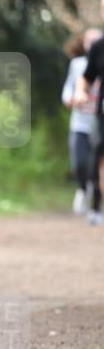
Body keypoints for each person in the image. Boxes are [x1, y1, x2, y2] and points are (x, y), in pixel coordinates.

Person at [61, 30, 102, 221]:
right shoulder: (77, 65)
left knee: (95, 164)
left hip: (98, 121)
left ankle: (96, 204)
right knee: (80, 164)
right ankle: (83, 188)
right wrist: (74, 97)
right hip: (81, 123)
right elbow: (73, 87)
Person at [75, 0, 104, 225]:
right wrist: (81, 93)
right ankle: (97, 207)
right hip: (102, 115)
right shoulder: (98, 47)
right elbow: (85, 79)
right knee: (99, 160)